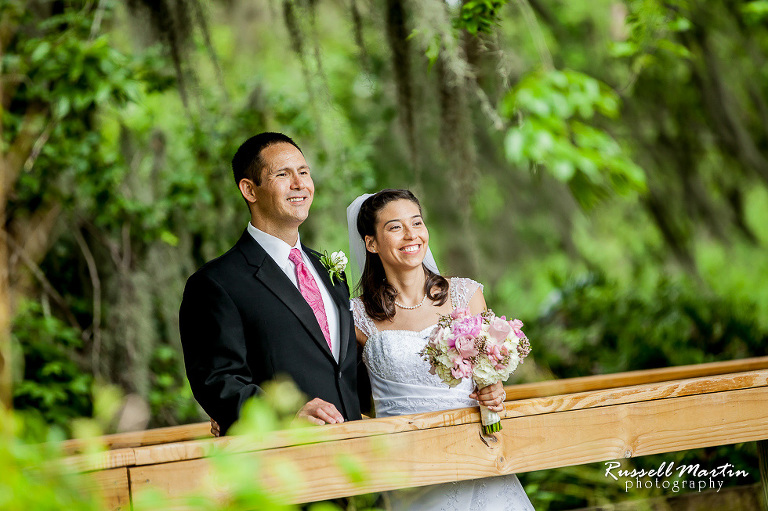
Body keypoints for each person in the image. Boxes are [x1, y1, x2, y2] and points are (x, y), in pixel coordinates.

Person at [348, 189, 534, 510]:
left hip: (478, 456)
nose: (411, 235)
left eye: (417, 222)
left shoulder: (466, 294)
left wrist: (493, 388)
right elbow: (348, 394)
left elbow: (485, 376)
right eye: (395, 227)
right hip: (409, 469)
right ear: (371, 243)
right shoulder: (356, 316)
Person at [179, 132, 362, 435]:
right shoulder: (215, 283)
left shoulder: (331, 272)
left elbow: (345, 371)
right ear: (249, 190)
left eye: (304, 172)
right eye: (283, 174)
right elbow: (217, 381)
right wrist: (287, 415)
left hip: (358, 455)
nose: (300, 183)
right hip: (281, 462)